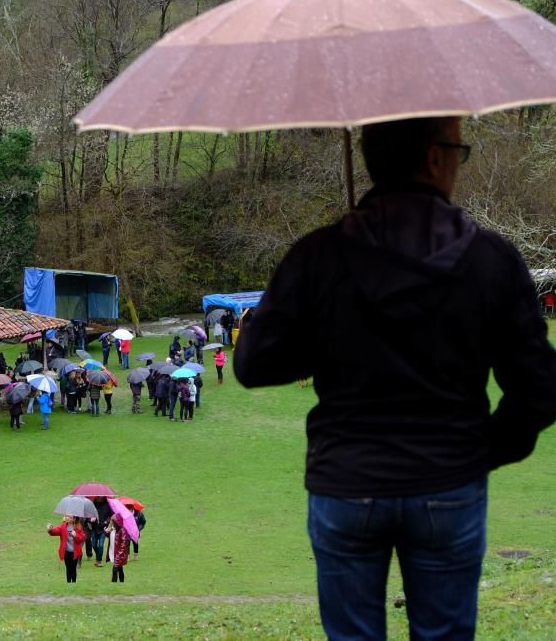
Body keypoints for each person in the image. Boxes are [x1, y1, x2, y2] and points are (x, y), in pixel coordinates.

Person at [234, 116, 556, 641]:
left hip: (346, 481)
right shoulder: (489, 259)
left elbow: (254, 363)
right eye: (460, 150)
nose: (459, 160)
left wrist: (329, 329)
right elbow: (539, 388)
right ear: (434, 157)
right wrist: (483, 449)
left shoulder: (319, 255)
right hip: (449, 483)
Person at [47, 516, 86, 583]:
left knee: (73, 569)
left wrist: (75, 535)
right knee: (68, 568)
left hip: (75, 552)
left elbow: (82, 538)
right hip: (66, 552)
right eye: (67, 516)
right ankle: (68, 583)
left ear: (74, 519)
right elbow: (55, 532)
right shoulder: (63, 526)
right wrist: (50, 529)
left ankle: (73, 583)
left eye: (70, 517)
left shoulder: (78, 527)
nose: (67, 518)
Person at [106, 514, 130, 583]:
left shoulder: (122, 530)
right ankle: (122, 583)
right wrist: (107, 532)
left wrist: (119, 555)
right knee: (120, 569)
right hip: (114, 553)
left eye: (112, 521)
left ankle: (113, 585)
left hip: (119, 554)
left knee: (115, 570)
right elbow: (112, 538)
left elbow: (123, 544)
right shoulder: (113, 529)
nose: (111, 522)